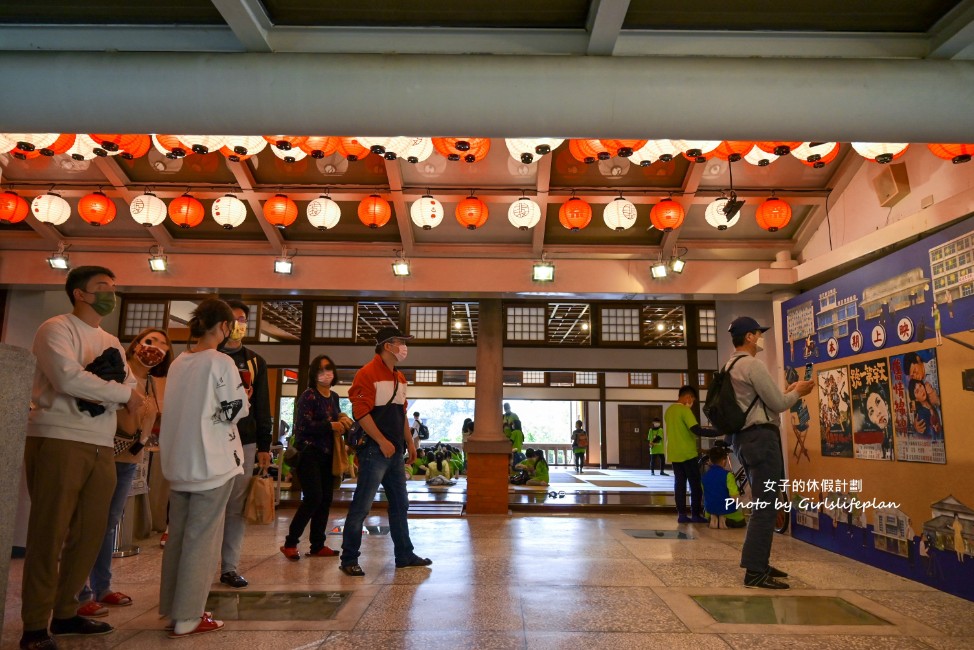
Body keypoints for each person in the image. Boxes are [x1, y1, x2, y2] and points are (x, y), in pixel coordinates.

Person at [20, 266, 143, 650]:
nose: (110, 293)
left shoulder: (110, 339)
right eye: (102, 287)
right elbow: (67, 378)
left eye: (113, 286)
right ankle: (35, 626)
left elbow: (133, 384)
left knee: (92, 532)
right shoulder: (56, 328)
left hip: (102, 442)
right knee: (49, 530)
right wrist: (119, 394)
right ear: (79, 293)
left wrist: (118, 391)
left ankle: (67, 612)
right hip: (58, 436)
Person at [158, 298, 249, 638]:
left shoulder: (180, 361)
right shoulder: (220, 361)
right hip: (212, 460)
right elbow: (234, 410)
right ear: (224, 327)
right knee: (202, 539)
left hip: (179, 461)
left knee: (179, 537)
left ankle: (171, 608)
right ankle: (190, 615)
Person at [77, 328, 173, 618]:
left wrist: (142, 443)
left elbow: (151, 417)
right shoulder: (116, 369)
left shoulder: (155, 384)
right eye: (151, 341)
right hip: (102, 451)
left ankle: (102, 586)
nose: (155, 348)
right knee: (87, 522)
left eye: (164, 346)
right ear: (135, 344)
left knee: (109, 522)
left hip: (131, 458)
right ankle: (79, 591)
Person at [724, 316, 813, 590]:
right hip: (761, 439)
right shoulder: (752, 364)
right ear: (749, 337)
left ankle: (758, 562)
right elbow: (777, 404)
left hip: (743, 440)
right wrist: (797, 392)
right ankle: (754, 570)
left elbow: (762, 402)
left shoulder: (729, 366)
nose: (760, 338)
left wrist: (784, 393)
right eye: (758, 334)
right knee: (766, 505)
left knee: (763, 503)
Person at [340, 327, 431, 577]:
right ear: (387, 346)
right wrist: (381, 440)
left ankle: (404, 554)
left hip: (395, 452)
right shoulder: (367, 373)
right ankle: (349, 558)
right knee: (362, 505)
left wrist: (410, 443)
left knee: (400, 504)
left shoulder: (399, 377)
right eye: (400, 342)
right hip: (374, 450)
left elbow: (401, 413)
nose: (404, 347)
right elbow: (360, 412)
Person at [216, 300, 273, 589]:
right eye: (234, 319)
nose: (239, 325)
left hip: (246, 439)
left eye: (243, 320)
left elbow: (263, 404)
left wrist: (266, 444)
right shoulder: (207, 356)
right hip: (211, 438)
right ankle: (202, 563)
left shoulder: (255, 361)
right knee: (211, 503)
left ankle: (229, 566)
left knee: (237, 505)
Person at [280, 355, 352, 561]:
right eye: (320, 370)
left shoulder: (334, 396)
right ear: (314, 374)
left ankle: (318, 545)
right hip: (308, 453)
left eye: (329, 369)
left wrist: (342, 419)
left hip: (329, 455)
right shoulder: (308, 396)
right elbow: (301, 427)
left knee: (326, 500)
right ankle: (290, 543)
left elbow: (335, 417)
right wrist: (330, 425)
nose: (326, 374)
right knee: (313, 498)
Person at [664, 386, 711, 524]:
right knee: (695, 484)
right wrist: (717, 432)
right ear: (688, 397)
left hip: (673, 452)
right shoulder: (685, 410)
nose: (692, 403)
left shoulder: (669, 410)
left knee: (679, 484)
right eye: (693, 400)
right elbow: (696, 430)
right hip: (687, 453)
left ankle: (682, 515)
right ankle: (695, 514)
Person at [701, 446, 746, 529]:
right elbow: (734, 496)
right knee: (741, 522)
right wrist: (743, 501)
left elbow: (705, 494)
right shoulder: (728, 475)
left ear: (710, 460)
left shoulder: (704, 476)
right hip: (728, 510)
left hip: (710, 509)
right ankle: (725, 519)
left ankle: (714, 517)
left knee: (710, 510)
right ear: (724, 461)